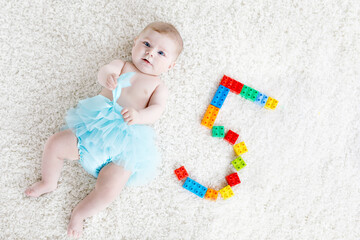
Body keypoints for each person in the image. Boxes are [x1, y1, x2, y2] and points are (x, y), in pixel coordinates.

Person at [25, 21, 183, 238]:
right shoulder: (123, 66)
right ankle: (48, 182)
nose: (150, 53)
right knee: (55, 143)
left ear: (170, 66)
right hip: (93, 128)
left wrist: (139, 116)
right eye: (146, 44)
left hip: (125, 144)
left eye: (161, 52)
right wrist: (107, 77)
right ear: (135, 43)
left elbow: (157, 109)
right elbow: (104, 70)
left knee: (112, 187)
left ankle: (80, 214)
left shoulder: (158, 86)